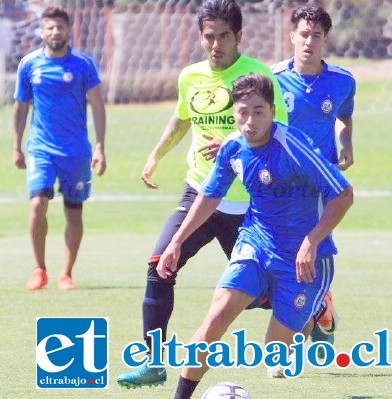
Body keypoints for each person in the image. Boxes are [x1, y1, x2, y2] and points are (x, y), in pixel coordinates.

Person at [116, 0, 287, 389]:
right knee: (160, 264)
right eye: (209, 36)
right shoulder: (190, 76)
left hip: (247, 203)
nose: (216, 44)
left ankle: (314, 308)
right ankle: (152, 362)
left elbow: (279, 129)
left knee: (265, 294)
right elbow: (182, 118)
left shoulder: (259, 76)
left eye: (224, 36)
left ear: (238, 36)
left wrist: (231, 141)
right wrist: (156, 155)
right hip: (199, 193)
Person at [158, 73, 353, 399]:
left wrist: (312, 240)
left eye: (259, 112)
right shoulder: (233, 147)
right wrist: (176, 242)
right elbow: (209, 197)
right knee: (217, 314)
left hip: (305, 259)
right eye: (243, 112)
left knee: (274, 351)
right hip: (256, 244)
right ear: (233, 112)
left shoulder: (294, 148)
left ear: (273, 111)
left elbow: (343, 195)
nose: (250, 121)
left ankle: (314, 312)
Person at [271, 5, 356, 349]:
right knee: (282, 258)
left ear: (325, 40)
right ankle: (319, 305)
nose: (309, 41)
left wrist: (346, 141)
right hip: (280, 186)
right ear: (292, 36)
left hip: (321, 186)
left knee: (312, 252)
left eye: (316, 36)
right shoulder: (272, 79)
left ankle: (291, 340)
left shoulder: (343, 81)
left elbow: (345, 116)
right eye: (303, 34)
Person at [13, 5, 106, 291]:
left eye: (60, 27)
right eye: (49, 27)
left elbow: (98, 106)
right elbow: (20, 108)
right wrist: (17, 147)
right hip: (41, 149)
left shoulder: (83, 65)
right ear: (42, 31)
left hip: (77, 152)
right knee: (38, 203)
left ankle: (66, 274)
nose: (55, 32)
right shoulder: (29, 65)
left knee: (74, 212)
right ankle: (39, 269)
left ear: (68, 30)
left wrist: (100, 147)